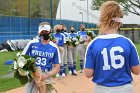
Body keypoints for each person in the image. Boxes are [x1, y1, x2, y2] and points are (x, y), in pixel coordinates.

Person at [84, 1, 140, 93]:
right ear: (119, 22)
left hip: (102, 89)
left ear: (102, 20)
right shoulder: (128, 42)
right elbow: (136, 71)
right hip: (125, 89)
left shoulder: (94, 43)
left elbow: (88, 73)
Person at [22, 22, 61, 93]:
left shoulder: (54, 47)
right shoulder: (32, 43)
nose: (44, 33)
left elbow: (57, 67)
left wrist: (47, 75)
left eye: (46, 31)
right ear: (39, 33)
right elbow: (22, 59)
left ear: (50, 31)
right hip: (32, 74)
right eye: (42, 32)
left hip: (46, 74)